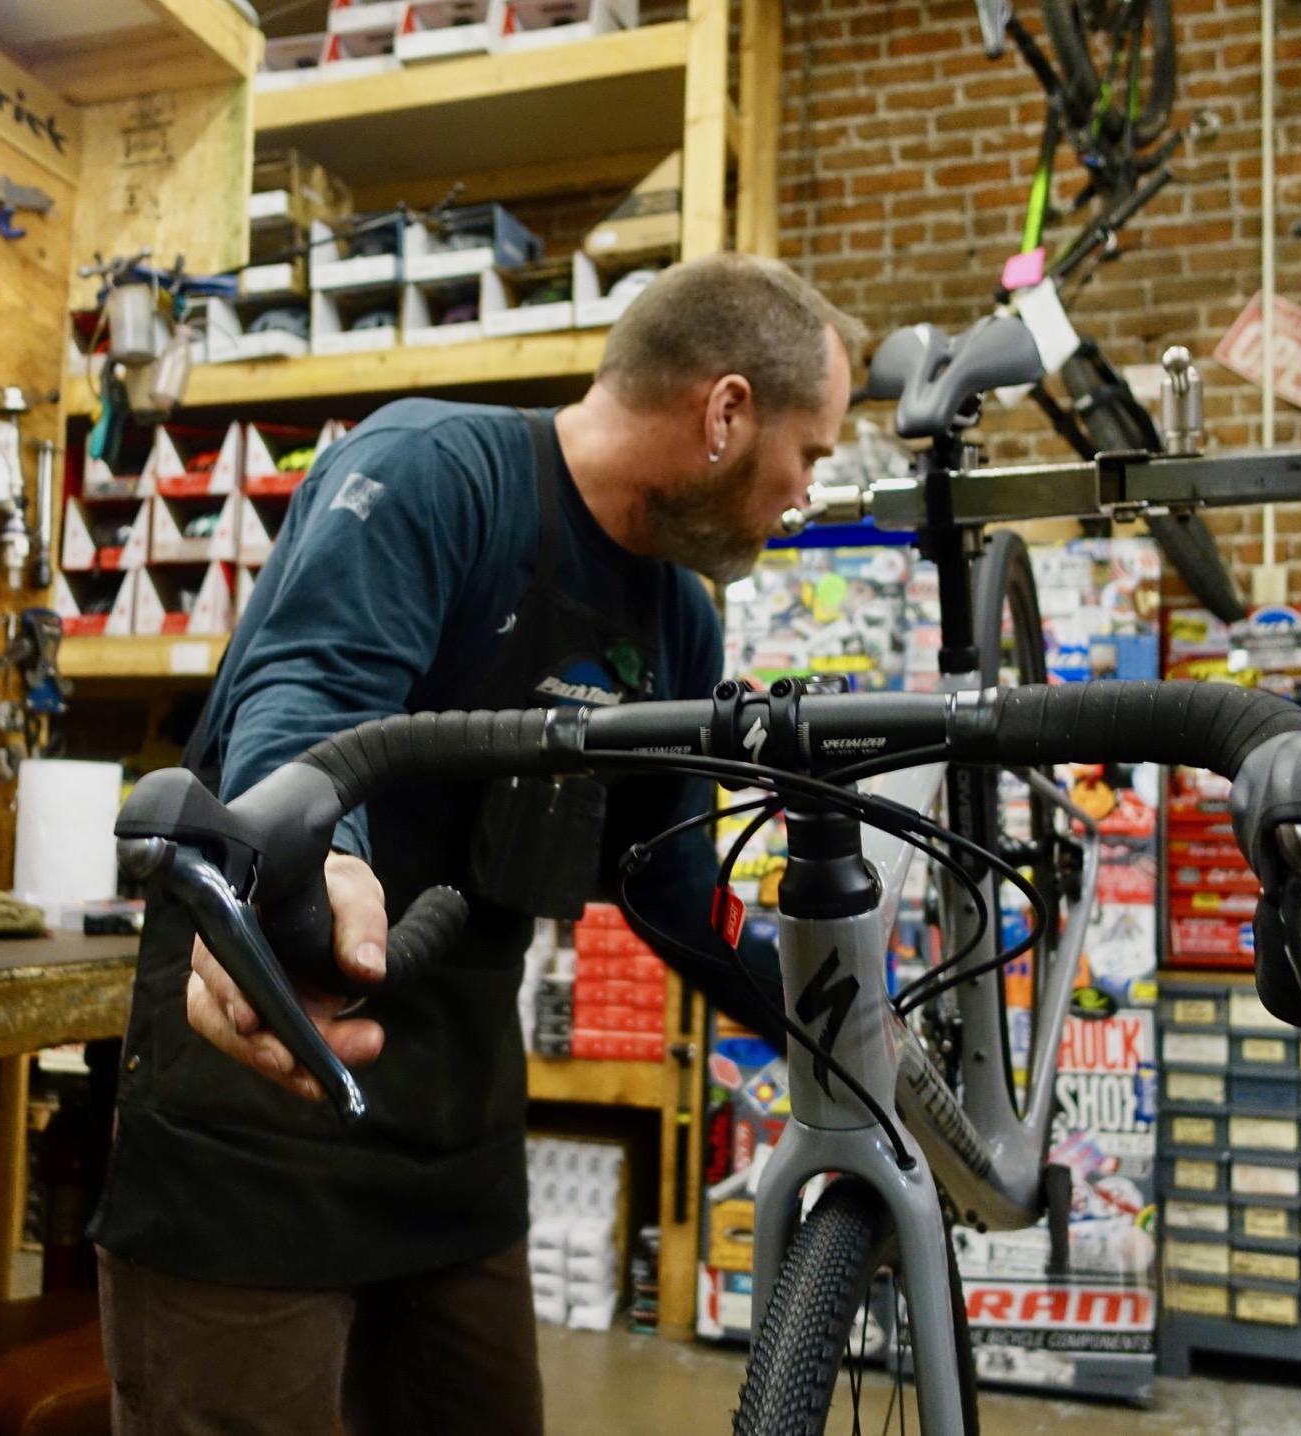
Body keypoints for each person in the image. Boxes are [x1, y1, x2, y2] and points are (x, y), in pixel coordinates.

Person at [89, 252, 864, 1436]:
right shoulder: (434, 472)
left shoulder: (678, 618)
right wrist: (317, 867)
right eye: (809, 452)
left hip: (455, 1149)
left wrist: (840, 1020)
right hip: (269, 1096)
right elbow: (310, 707)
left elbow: (672, 885)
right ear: (724, 412)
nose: (804, 491)